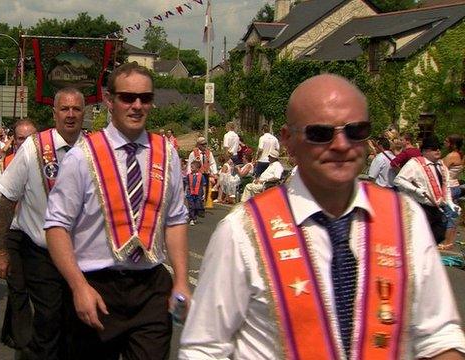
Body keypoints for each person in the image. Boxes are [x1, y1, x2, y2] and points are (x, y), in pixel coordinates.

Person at [180, 74, 465, 359]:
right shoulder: (243, 230)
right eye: (320, 133)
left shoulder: (405, 220)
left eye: (356, 131)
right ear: (288, 140)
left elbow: (439, 335)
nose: (341, 144)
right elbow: (204, 348)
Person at [44, 62, 190, 359]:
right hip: (97, 286)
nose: (137, 106)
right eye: (127, 97)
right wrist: (78, 286)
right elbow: (56, 226)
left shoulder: (167, 153)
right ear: (109, 101)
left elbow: (175, 219)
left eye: (145, 98)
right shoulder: (82, 156)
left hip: (150, 287)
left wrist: (182, 280)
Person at [0, 88, 85, 359]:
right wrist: (0, 250)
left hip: (80, 254)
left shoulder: (92, 149)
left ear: (84, 113)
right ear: (54, 113)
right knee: (49, 317)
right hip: (41, 254)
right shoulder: (33, 147)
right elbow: (7, 198)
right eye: (64, 109)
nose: (70, 115)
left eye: (76, 109)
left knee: (76, 318)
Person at [0, 118, 37, 350]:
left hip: (37, 236)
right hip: (12, 234)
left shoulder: (48, 162)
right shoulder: (3, 164)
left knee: (32, 288)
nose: (26, 143)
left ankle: (10, 330)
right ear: (13, 140)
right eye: (21, 138)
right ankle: (24, 342)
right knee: (18, 287)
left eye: (31, 138)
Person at [394, 135, 460, 246]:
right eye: (433, 148)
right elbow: (399, 180)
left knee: (438, 236)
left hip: (438, 208)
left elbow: (446, 186)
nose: (438, 150)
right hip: (422, 207)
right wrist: (415, 190)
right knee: (419, 240)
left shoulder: (441, 165)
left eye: (438, 148)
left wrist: (450, 203)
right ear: (425, 151)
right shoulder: (414, 164)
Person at [441, 134, 464, 249]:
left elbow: (441, 170)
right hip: (454, 186)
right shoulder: (459, 154)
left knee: (448, 215)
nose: (444, 142)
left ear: (452, 144)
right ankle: (449, 241)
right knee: (451, 214)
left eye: (446, 141)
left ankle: (447, 242)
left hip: (449, 187)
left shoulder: (452, 155)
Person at [187, 160, 206, 225]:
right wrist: (185, 192)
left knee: (197, 206)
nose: (191, 168)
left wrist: (204, 194)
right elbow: (187, 184)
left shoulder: (201, 176)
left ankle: (194, 215)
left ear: (197, 168)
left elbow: (203, 185)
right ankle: (192, 218)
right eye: (191, 167)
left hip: (198, 194)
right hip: (190, 193)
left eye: (192, 167)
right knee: (191, 206)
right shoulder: (189, 175)